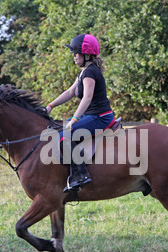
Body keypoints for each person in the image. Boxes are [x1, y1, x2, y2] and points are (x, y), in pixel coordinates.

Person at [46, 34, 115, 192]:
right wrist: (50, 106)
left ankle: (81, 175)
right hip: (91, 116)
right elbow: (70, 92)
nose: (74, 56)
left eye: (76, 53)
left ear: (87, 55)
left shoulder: (90, 73)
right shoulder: (84, 71)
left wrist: (75, 119)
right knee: (58, 129)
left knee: (66, 135)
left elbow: (87, 98)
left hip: (100, 117)